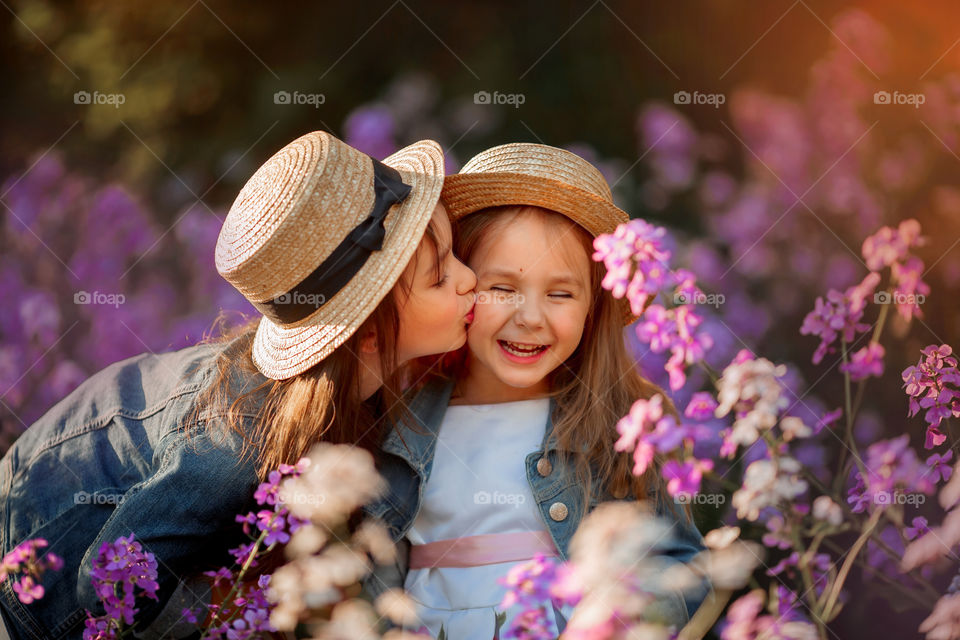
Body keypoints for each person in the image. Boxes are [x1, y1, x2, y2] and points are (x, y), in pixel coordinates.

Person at [0, 131, 477, 639]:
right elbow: (110, 583)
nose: (470, 278)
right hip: (34, 590)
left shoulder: (362, 385)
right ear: (369, 336)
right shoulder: (236, 437)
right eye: (440, 276)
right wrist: (242, 611)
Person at [364, 143, 707, 638]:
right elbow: (375, 566)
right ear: (460, 284)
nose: (529, 317)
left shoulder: (624, 420)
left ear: (594, 308)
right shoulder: (402, 418)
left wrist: (622, 618)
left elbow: (681, 561)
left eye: (561, 293)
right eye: (502, 288)